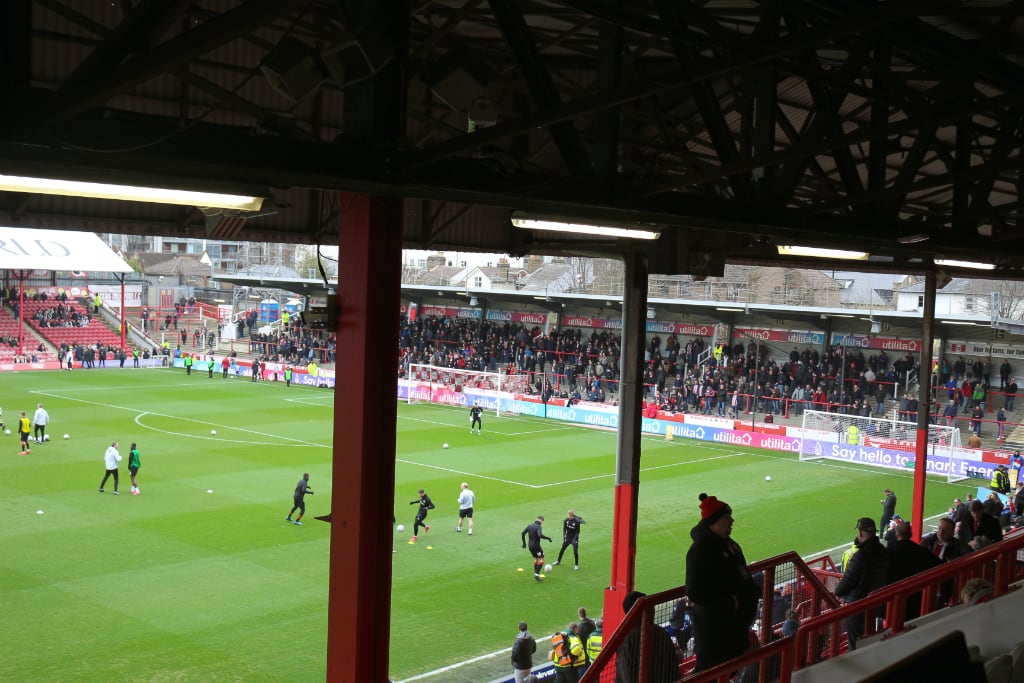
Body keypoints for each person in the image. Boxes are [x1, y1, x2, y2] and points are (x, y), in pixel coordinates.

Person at [685, 493, 759, 672]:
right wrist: (729, 603)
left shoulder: (728, 544)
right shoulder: (700, 551)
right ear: (714, 521)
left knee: (731, 669)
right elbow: (694, 591)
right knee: (712, 672)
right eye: (727, 517)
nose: (732, 520)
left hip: (734, 627)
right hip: (715, 631)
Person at [834, 517, 889, 650]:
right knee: (871, 641)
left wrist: (837, 592)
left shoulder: (861, 556)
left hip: (859, 606)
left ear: (859, 532)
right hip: (878, 604)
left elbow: (848, 581)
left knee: (856, 644)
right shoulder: (883, 550)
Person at [615, 590, 680, 683]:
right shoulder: (661, 633)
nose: (653, 609)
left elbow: (625, 674)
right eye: (650, 606)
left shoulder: (626, 639)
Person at [885, 521, 941, 619]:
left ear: (896, 534)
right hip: (918, 599)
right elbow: (939, 566)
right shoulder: (922, 551)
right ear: (910, 534)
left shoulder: (888, 553)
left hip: (894, 600)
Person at [521, 515, 552, 581]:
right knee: (542, 559)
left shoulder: (530, 526)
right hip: (536, 546)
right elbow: (540, 535)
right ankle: (536, 574)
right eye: (542, 522)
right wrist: (548, 538)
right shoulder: (538, 526)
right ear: (541, 520)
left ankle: (536, 574)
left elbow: (523, 533)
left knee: (536, 559)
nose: (542, 523)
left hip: (530, 546)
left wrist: (524, 543)